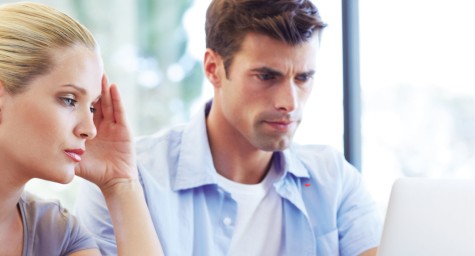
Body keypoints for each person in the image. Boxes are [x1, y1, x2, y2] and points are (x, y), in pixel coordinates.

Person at [75, 0, 381, 255]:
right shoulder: (126, 178)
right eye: (266, 76)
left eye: (303, 78)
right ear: (213, 68)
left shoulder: (333, 179)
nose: (290, 102)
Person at [0, 2, 162, 255]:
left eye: (91, 107)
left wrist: (121, 184)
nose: (90, 129)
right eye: (69, 100)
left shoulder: (60, 232)